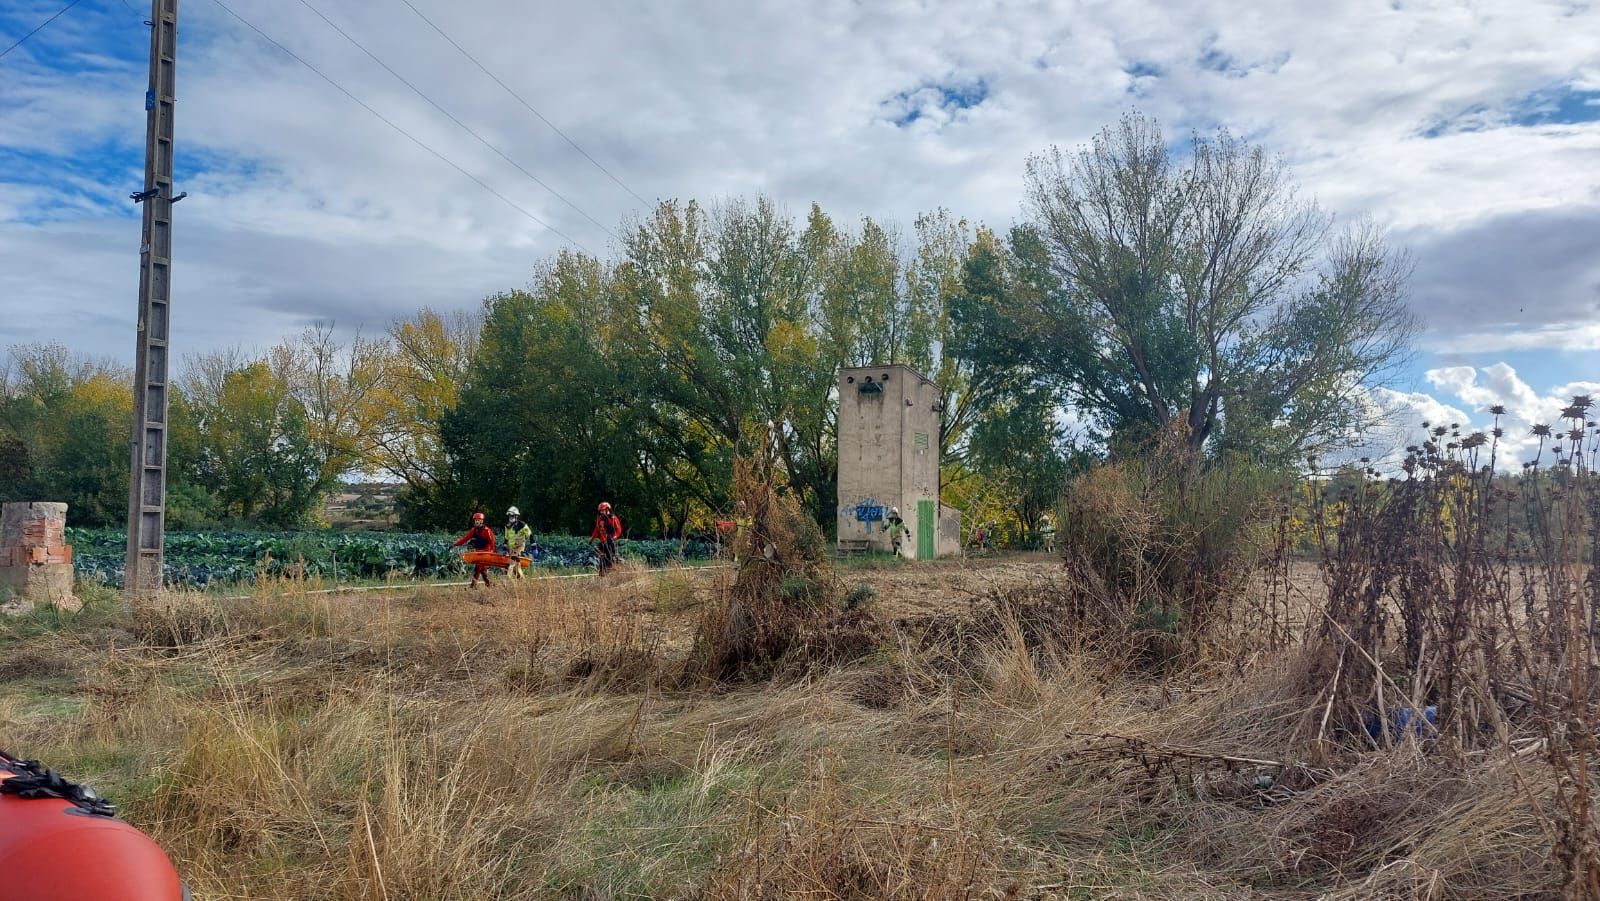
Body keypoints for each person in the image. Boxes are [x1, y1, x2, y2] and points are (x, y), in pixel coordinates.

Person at [452, 512, 496, 588]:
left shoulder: (486, 530)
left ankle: (473, 586)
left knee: (478, 568)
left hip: (486, 552)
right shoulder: (474, 530)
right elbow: (465, 538)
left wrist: (490, 553)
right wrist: (455, 544)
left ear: (482, 521)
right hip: (478, 551)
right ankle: (489, 585)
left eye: (478, 520)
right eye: (475, 520)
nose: (476, 522)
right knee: (482, 570)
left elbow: (492, 542)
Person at [591, 502, 623, 576]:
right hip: (603, 541)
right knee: (602, 557)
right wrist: (592, 539)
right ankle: (602, 572)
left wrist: (614, 537)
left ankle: (611, 570)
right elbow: (596, 530)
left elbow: (619, 530)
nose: (601, 512)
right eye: (600, 511)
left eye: (603, 510)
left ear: (607, 509)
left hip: (610, 540)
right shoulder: (600, 519)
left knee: (610, 557)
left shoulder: (613, 518)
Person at [504, 506, 532, 579]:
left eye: (512, 515)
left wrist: (534, 545)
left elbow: (529, 534)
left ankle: (507, 579)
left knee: (511, 563)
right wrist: (504, 547)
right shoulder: (507, 526)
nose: (510, 517)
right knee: (516, 567)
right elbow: (506, 538)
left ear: (516, 516)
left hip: (519, 546)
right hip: (511, 548)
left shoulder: (522, 525)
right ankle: (522, 580)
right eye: (509, 515)